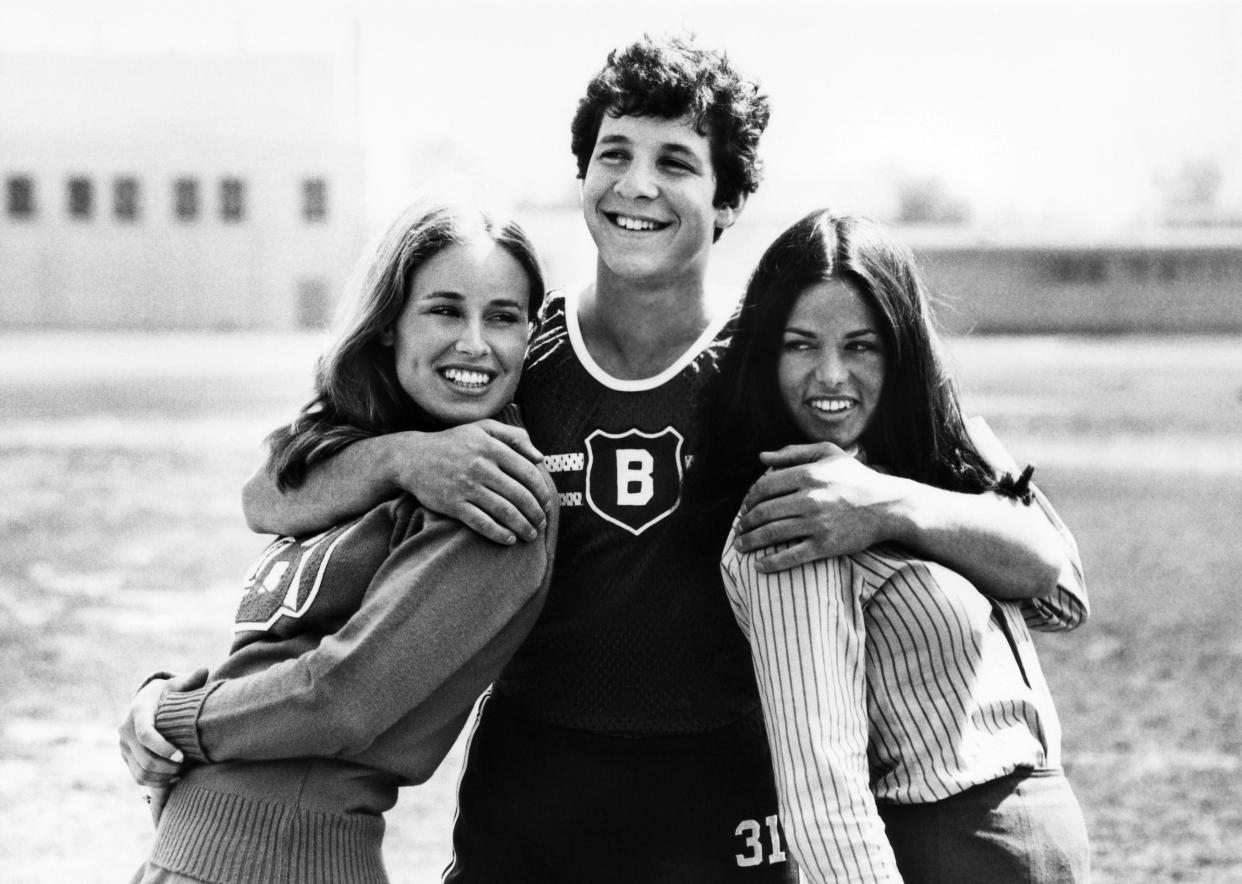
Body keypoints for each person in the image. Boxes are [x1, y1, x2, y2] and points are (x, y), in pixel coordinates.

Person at [132, 36, 1085, 882]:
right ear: (582, 176)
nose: (636, 184)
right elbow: (270, 491)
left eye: (676, 162)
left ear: (728, 202)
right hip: (534, 794)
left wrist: (891, 504)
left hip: (728, 801)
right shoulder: (507, 361)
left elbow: (1048, 563)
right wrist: (400, 459)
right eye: (613, 155)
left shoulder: (787, 364)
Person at [118, 194, 559, 884]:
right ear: (388, 324)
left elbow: (338, 700)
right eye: (445, 309)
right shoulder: (380, 457)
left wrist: (173, 716)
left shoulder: (495, 495)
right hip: (193, 853)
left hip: (287, 858)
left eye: (503, 317)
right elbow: (263, 498)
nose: (475, 343)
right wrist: (401, 457)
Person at [697, 209, 1090, 882]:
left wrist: (891, 508)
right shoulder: (791, 514)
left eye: (861, 345)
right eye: (799, 344)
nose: (830, 376)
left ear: (901, 347)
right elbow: (825, 796)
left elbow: (1059, 591)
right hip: (942, 848)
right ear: (765, 353)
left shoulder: (944, 451)